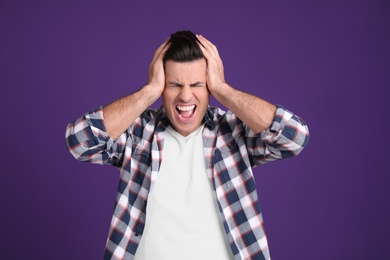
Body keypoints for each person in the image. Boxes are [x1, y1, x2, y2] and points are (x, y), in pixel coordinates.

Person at [65, 30, 309, 260]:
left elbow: (294, 137)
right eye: (174, 85)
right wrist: (149, 91)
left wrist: (223, 89)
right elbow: (79, 141)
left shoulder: (233, 132)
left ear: (209, 86)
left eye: (196, 85)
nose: (185, 96)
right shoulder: (138, 133)